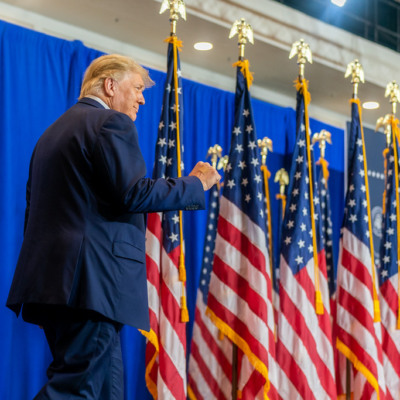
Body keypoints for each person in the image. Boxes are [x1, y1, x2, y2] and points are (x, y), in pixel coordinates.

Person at [6, 54, 220, 399]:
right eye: (136, 88)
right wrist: (195, 185)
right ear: (110, 86)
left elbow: (36, 213)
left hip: (53, 285)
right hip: (91, 285)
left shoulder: (49, 136)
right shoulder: (109, 123)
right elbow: (133, 193)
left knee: (106, 391)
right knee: (77, 389)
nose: (142, 99)